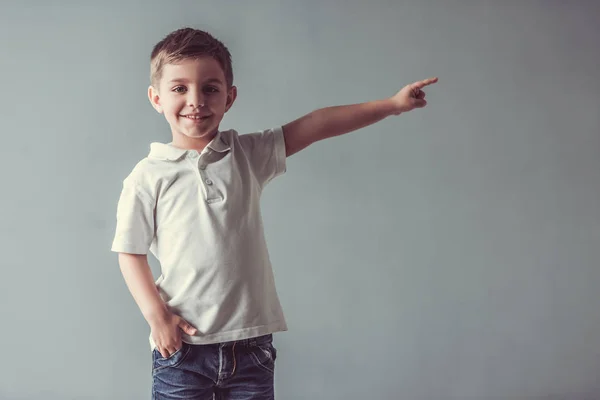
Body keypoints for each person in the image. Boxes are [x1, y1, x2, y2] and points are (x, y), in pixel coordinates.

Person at [111, 27, 437, 400]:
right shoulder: (147, 175)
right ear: (156, 97)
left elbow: (315, 125)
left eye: (210, 88)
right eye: (180, 88)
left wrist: (392, 105)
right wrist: (158, 318)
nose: (196, 100)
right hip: (183, 348)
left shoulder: (247, 155)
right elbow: (130, 252)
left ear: (230, 97)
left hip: (251, 347)